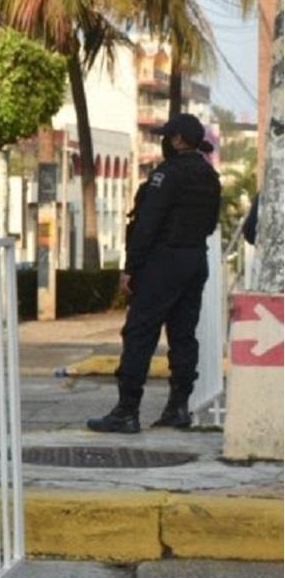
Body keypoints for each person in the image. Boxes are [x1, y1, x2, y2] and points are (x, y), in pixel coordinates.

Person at [88, 113, 221, 433]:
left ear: (176, 140)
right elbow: (211, 224)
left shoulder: (167, 174)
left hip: (163, 262)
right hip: (194, 260)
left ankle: (126, 411)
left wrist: (130, 268)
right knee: (183, 336)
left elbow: (147, 225)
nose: (164, 142)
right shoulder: (209, 174)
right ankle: (179, 408)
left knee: (140, 333)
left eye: (167, 136)